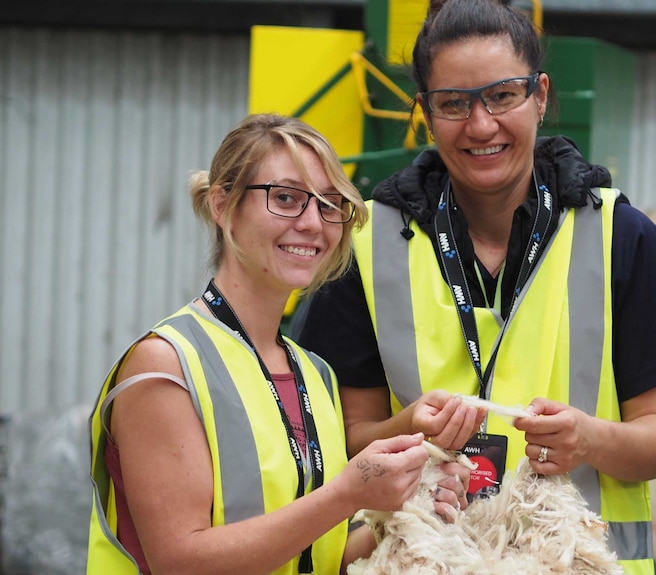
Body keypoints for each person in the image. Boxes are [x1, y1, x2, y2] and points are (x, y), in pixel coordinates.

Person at [295, 1, 656, 574]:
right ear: (424, 111)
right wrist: (411, 431)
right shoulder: (367, 246)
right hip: (421, 563)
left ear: (541, 95)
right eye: (453, 103)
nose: (480, 125)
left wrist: (590, 441)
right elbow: (342, 440)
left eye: (502, 96)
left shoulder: (620, 236)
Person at [86, 114, 468, 575]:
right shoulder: (166, 364)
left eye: (329, 204)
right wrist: (348, 492)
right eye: (286, 198)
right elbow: (181, 561)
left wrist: (410, 508)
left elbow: (314, 556)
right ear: (222, 205)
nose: (313, 223)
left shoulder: (316, 374)